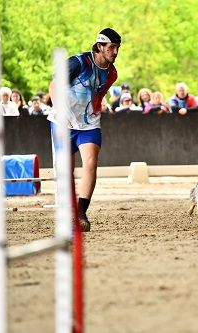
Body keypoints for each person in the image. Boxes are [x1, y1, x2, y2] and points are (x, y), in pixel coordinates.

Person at [47, 27, 121, 232]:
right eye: (111, 47)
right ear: (100, 46)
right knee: (65, 170)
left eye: (117, 48)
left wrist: (97, 106)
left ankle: (81, 213)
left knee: (90, 163)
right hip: (62, 121)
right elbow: (54, 86)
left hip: (89, 124)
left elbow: (99, 94)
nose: (115, 52)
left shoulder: (112, 73)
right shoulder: (78, 62)